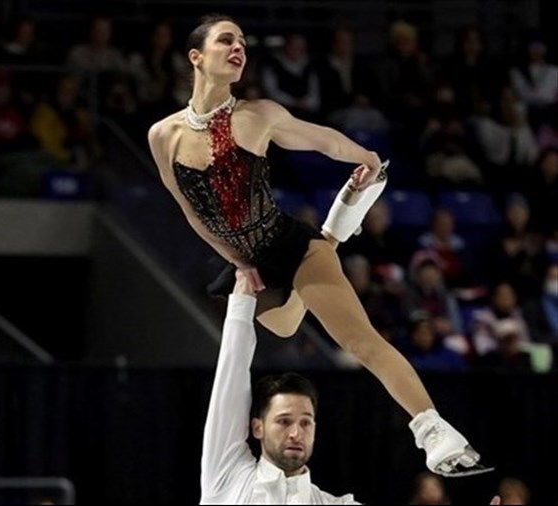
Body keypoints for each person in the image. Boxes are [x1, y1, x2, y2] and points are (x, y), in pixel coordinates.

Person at [148, 14, 486, 477]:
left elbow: (320, 139)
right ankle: (335, 229)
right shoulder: (161, 136)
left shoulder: (258, 115)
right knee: (286, 326)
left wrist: (364, 157)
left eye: (243, 42)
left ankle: (433, 431)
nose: (238, 47)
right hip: (251, 262)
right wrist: (237, 261)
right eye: (226, 40)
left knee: (357, 338)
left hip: (290, 245)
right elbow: (190, 209)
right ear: (196, 56)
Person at [201, 270, 503, 504]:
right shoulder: (227, 474)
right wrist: (241, 305)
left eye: (305, 422)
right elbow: (231, 374)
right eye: (283, 421)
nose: (296, 432)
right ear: (257, 427)